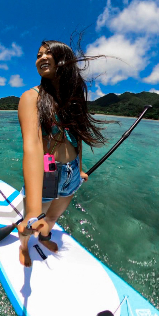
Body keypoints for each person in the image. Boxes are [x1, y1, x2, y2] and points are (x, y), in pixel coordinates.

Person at [16, 39, 106, 267]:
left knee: (53, 217)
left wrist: (80, 168)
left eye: (48, 53)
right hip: (49, 170)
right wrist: (34, 209)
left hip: (72, 171)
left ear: (63, 60)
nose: (42, 58)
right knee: (32, 221)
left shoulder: (73, 100)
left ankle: (45, 237)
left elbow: (78, 138)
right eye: (38, 55)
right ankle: (24, 246)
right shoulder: (31, 98)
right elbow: (33, 148)